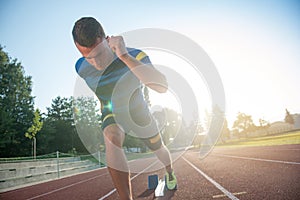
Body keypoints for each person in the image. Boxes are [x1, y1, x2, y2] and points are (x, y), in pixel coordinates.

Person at [72, 17, 177, 200]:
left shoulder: (134, 54)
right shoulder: (80, 68)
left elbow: (162, 86)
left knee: (159, 148)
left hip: (138, 111)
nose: (95, 63)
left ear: (107, 40)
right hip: (112, 110)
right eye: (88, 57)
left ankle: (170, 171)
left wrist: (124, 57)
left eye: (99, 55)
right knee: (111, 136)